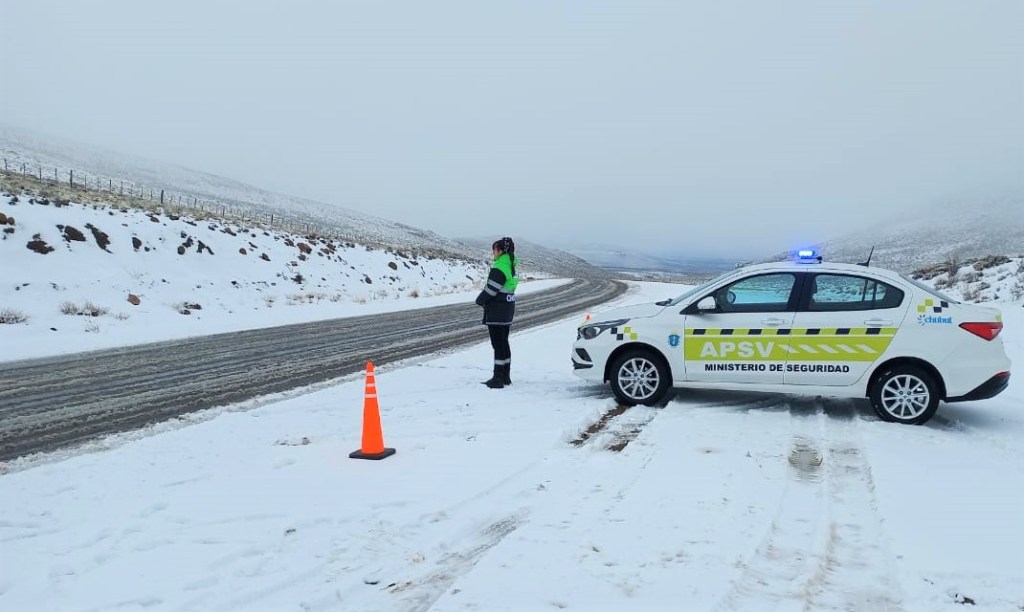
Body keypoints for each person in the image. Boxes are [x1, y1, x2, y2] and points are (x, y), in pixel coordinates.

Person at [475, 237, 519, 388]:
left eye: (494, 250)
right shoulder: (512, 265)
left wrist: (480, 300)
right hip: (507, 309)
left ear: (500, 251)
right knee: (503, 343)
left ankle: (498, 378)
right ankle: (505, 376)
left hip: (497, 310)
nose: (493, 253)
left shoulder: (500, 267)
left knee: (498, 344)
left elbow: (491, 289)